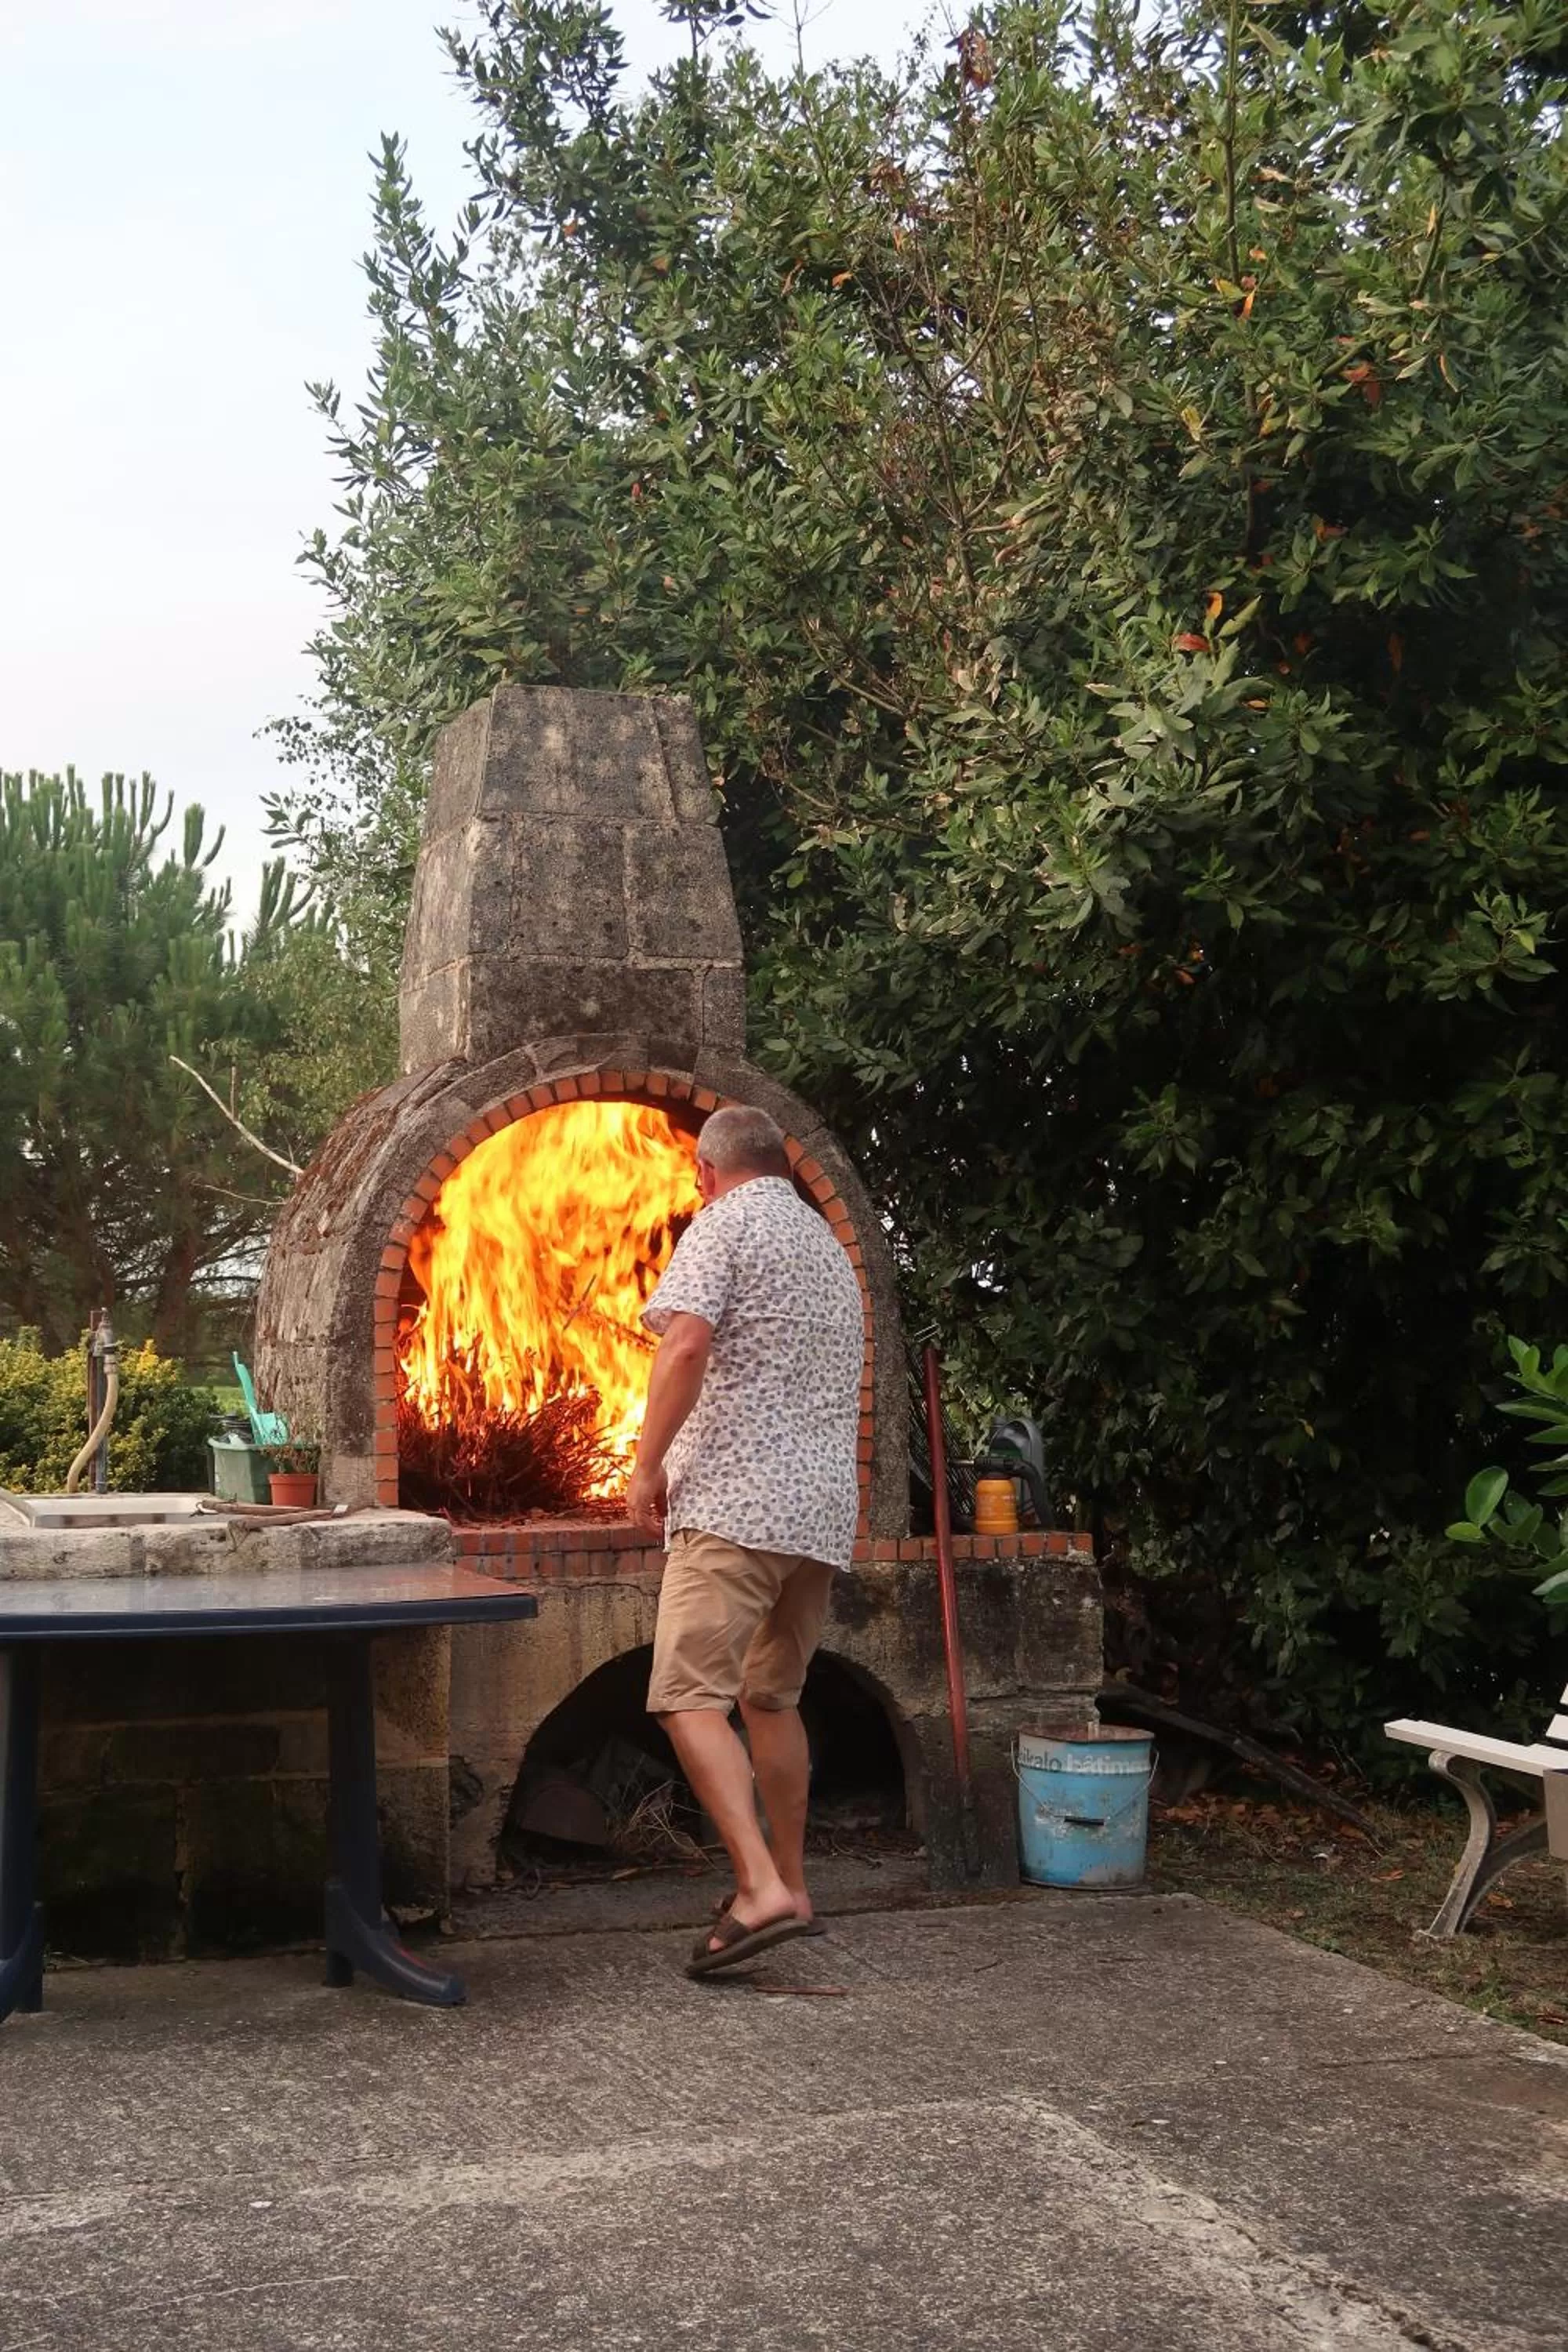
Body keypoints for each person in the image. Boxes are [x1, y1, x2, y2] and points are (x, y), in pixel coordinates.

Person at [625, 1104, 864, 1977]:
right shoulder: (826, 1248)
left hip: (735, 1507)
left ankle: (756, 1887)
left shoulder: (720, 1224)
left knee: (688, 1697)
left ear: (705, 1171)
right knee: (771, 1697)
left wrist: (646, 1467)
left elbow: (684, 1344)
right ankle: (792, 1890)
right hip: (816, 1513)